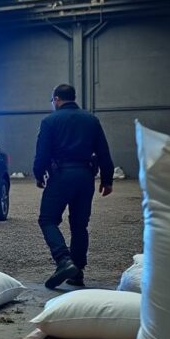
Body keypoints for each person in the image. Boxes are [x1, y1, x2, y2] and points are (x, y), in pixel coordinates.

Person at [33, 84, 114, 290]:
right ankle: (77, 272)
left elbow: (42, 152)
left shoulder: (50, 121)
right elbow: (103, 151)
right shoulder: (91, 120)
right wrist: (107, 179)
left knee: (47, 219)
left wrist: (38, 174)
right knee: (79, 225)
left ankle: (63, 260)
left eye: (53, 101)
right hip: (85, 176)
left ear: (57, 99)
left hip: (61, 175)